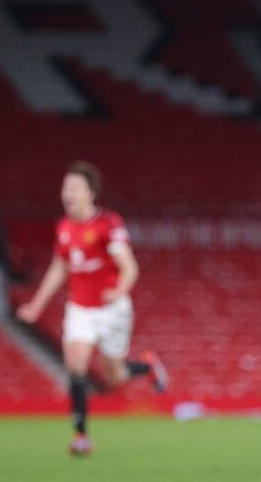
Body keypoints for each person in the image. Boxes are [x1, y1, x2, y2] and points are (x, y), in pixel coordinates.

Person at [16, 160, 167, 456]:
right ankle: (81, 436)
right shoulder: (63, 228)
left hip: (112, 310)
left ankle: (146, 367)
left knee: (114, 376)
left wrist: (119, 290)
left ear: (91, 193)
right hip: (81, 309)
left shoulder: (108, 225)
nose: (67, 193)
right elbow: (59, 268)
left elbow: (129, 267)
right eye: (65, 187)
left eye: (74, 187)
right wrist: (36, 305)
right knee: (75, 363)